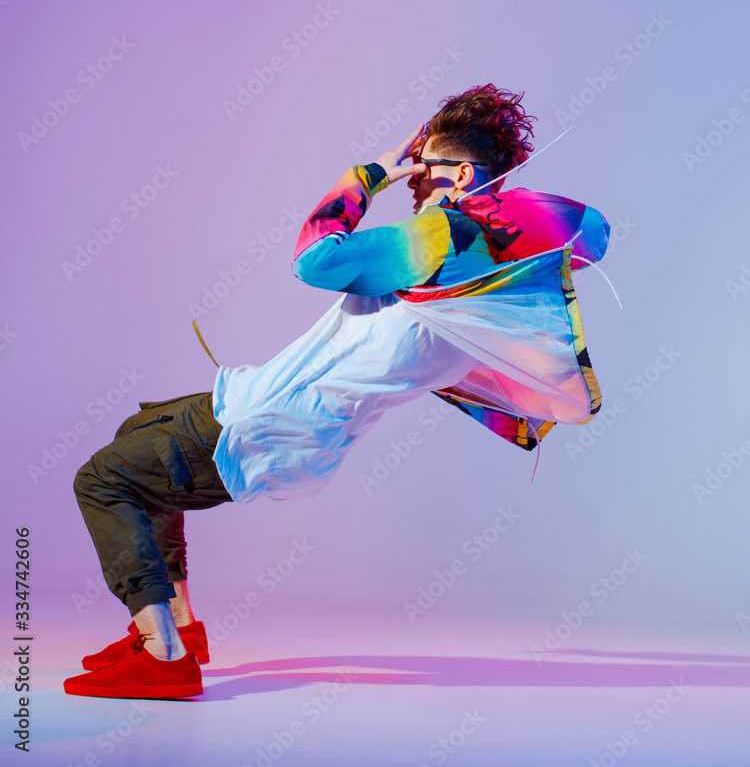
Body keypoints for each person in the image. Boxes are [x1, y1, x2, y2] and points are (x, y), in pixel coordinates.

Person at [63, 84, 609, 699]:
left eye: (420, 170)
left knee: (102, 480)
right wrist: (476, 188)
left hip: (265, 420)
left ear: (459, 174)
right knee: (136, 436)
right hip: (292, 422)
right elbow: (592, 232)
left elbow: (313, 259)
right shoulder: (494, 278)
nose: (411, 181)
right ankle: (181, 630)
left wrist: (370, 173)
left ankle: (165, 657)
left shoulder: (443, 242)